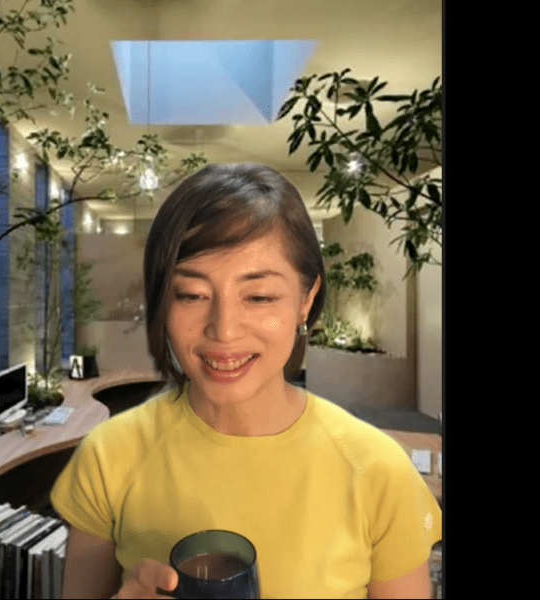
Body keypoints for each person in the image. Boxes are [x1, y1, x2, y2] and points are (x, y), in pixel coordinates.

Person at [50, 163, 442, 599]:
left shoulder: (379, 472)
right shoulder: (108, 456)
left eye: (258, 296)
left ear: (306, 299)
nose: (224, 329)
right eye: (192, 295)